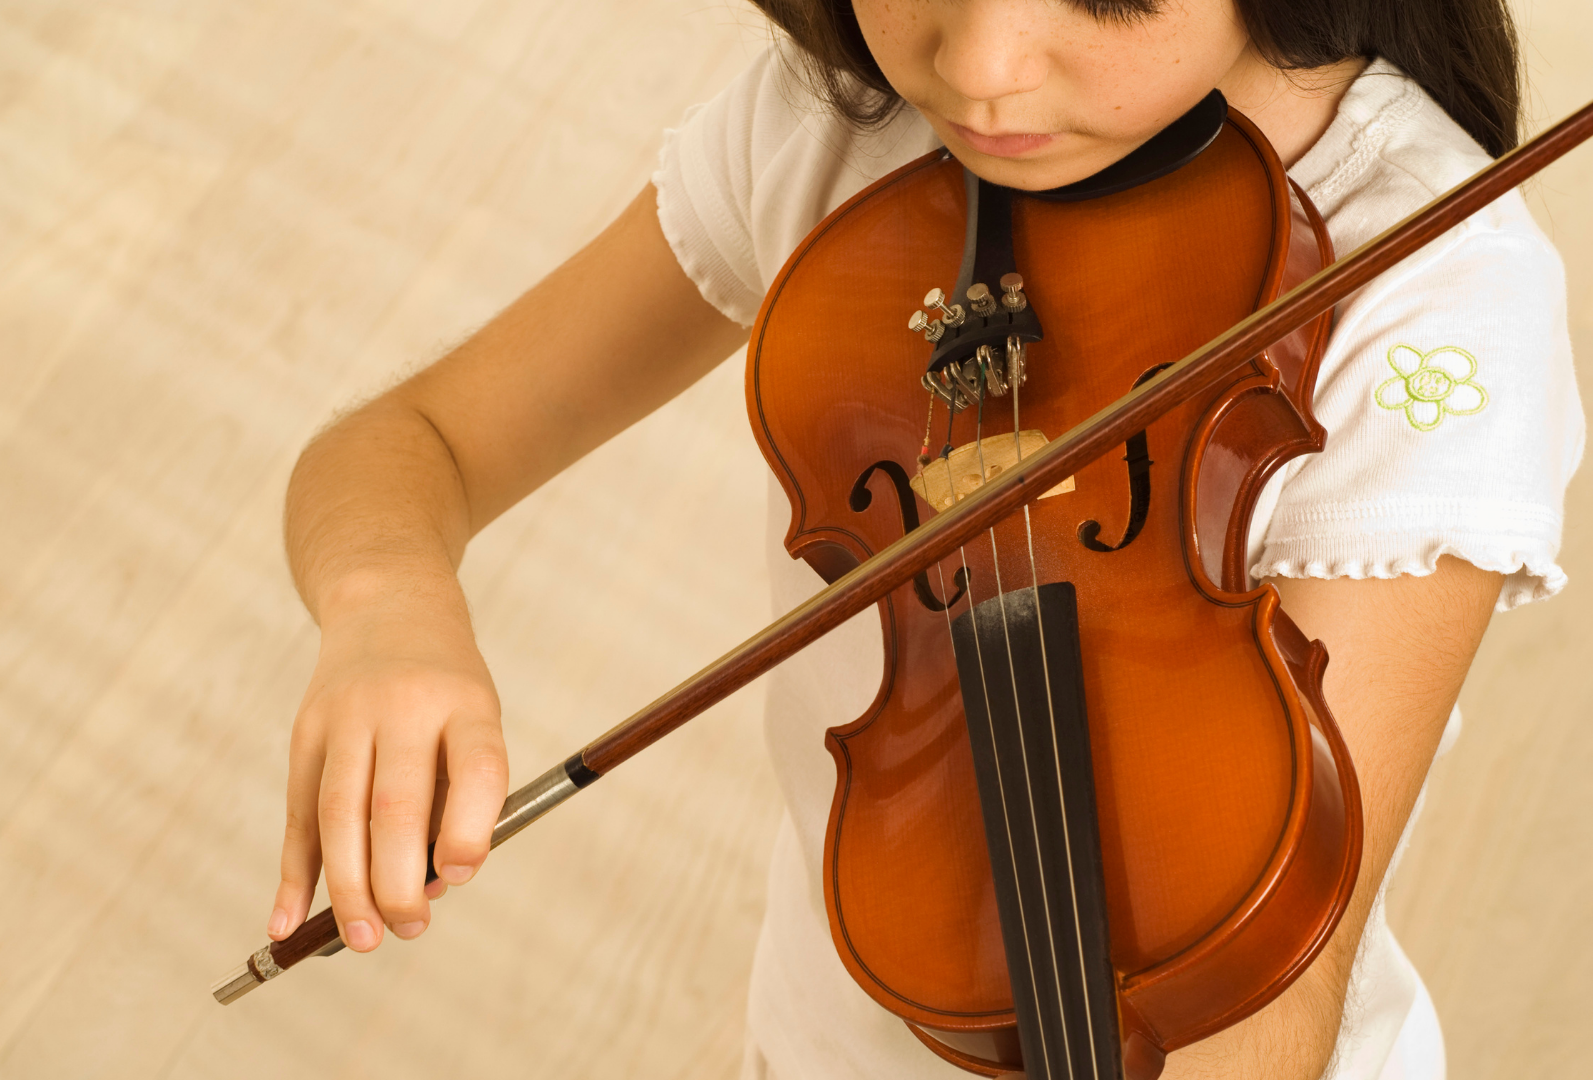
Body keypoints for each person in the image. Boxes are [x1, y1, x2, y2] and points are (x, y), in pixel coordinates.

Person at [263, 1, 1582, 1076]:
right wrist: (390, 604)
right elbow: (411, 443)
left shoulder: (1435, 304)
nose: (984, 65)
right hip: (825, 1018)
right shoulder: (843, 128)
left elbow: (1258, 1009)